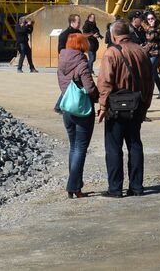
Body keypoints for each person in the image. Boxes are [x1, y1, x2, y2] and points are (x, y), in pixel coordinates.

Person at [97, 21, 155, 197]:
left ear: (114, 35)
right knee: (135, 145)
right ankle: (136, 187)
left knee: (113, 148)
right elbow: (149, 83)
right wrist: (145, 106)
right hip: (137, 105)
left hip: (116, 107)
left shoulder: (111, 53)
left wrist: (102, 107)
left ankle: (115, 189)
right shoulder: (141, 51)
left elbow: (105, 83)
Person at [57, 32, 99, 198]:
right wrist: (97, 96)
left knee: (74, 147)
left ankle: (76, 186)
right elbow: (89, 88)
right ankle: (73, 185)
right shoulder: (81, 63)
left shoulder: (61, 61)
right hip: (82, 109)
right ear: (81, 45)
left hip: (67, 108)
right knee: (81, 148)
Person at [142, 11, 160, 100]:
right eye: (148, 19)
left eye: (152, 18)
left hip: (155, 53)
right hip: (149, 52)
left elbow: (151, 37)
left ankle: (148, 91)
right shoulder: (149, 28)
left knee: (149, 70)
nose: (150, 20)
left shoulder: (157, 28)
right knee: (154, 74)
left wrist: (151, 27)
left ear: (155, 19)